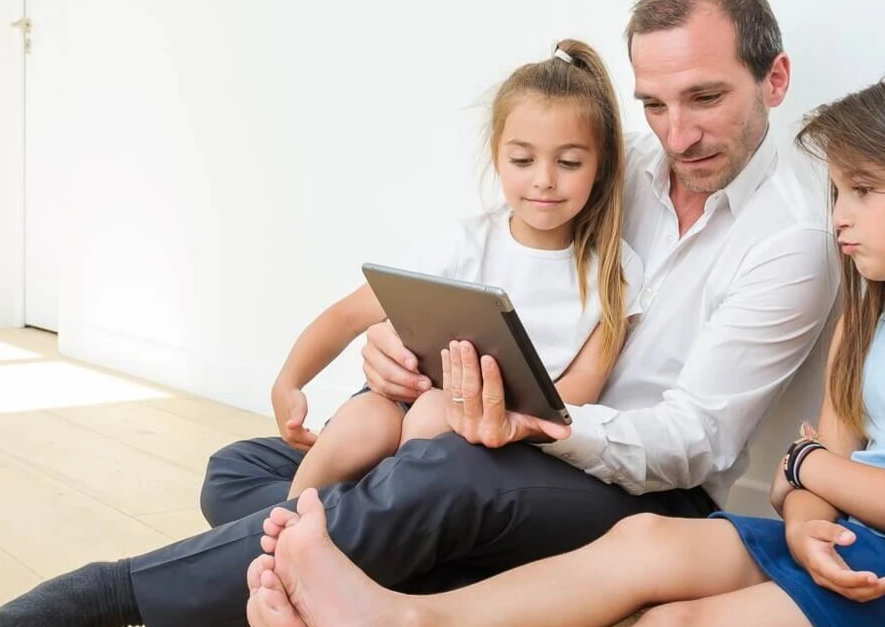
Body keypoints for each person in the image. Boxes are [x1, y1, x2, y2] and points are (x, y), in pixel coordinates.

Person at [0, 0, 839, 627]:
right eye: (652, 103)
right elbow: (505, 276)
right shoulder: (614, 166)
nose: (677, 134)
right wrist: (402, 355)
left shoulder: (792, 239)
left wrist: (542, 426)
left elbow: (691, 443)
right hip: (497, 444)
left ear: (776, 80)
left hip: (637, 493)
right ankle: (419, 583)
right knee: (248, 471)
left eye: (705, 99)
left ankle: (107, 594)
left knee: (435, 475)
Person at [240, 69, 885, 627]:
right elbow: (812, 474)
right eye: (837, 191)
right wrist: (810, 523)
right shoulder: (870, 313)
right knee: (646, 548)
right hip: (851, 548)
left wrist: (809, 473)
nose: (838, 216)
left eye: (863, 192)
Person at [275, 38, 645, 500]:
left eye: (569, 162)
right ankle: (280, 533)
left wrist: (503, 418)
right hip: (409, 400)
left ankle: (380, 521)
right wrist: (289, 380)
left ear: (601, 165)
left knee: (433, 413)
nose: (544, 179)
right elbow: (350, 314)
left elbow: (577, 391)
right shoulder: (467, 243)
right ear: (497, 157)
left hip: (508, 434)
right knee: (362, 421)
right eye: (522, 160)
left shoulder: (616, 271)